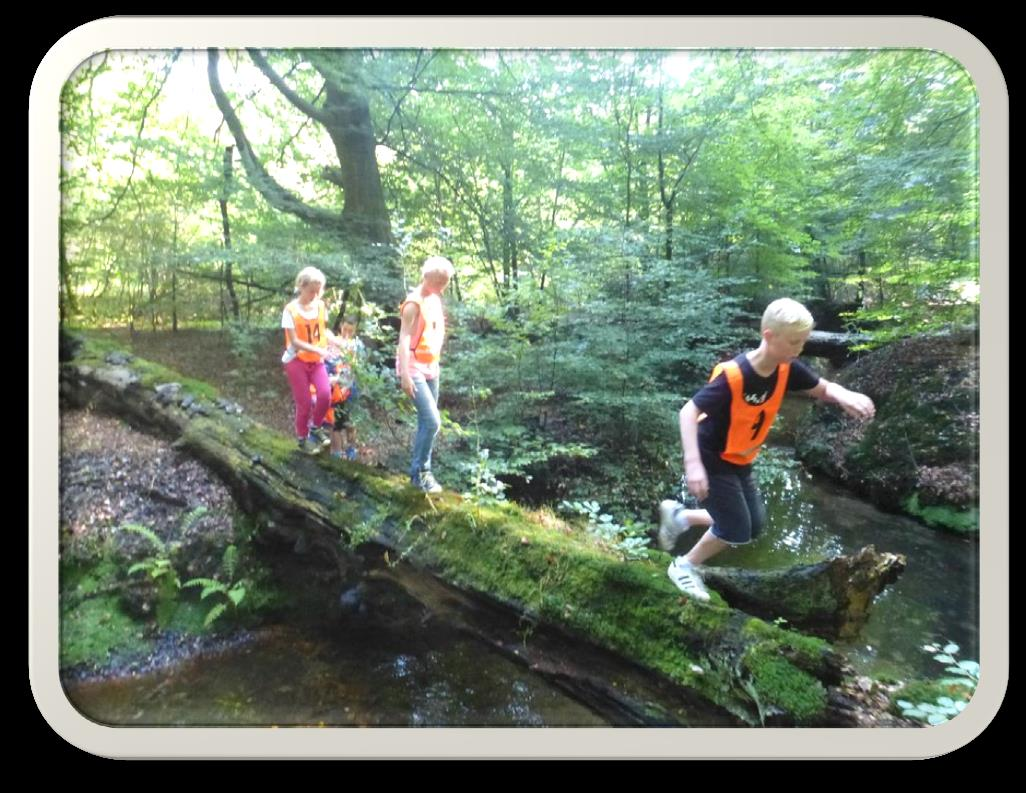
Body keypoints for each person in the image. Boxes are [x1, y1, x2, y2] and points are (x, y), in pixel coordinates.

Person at [658, 298, 876, 601]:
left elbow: (822, 387)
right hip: (711, 456)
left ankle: (681, 517)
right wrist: (692, 464)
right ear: (769, 336)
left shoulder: (786, 368)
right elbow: (688, 411)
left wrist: (845, 395)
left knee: (754, 526)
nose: (800, 349)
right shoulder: (735, 375)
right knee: (735, 529)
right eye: (794, 342)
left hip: (740, 458)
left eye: (803, 342)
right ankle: (684, 566)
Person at [396, 256, 455, 493]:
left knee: (425, 422)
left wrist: (436, 364)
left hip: (432, 367)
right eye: (440, 281)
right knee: (432, 421)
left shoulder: (435, 300)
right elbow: (404, 337)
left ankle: (421, 474)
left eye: (446, 282)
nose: (443, 286)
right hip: (413, 367)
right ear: (427, 277)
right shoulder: (413, 303)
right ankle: (420, 472)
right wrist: (405, 376)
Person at [281, 267, 342, 453]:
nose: (316, 295)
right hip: (296, 361)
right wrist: (319, 349)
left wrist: (337, 342)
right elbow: (295, 341)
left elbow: (321, 331)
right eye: (312, 291)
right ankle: (302, 438)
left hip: (316, 360)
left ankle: (316, 427)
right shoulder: (290, 310)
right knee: (305, 402)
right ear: (301, 286)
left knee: (325, 395)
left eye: (319, 291)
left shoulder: (320, 306)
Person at [327, 317, 363, 461]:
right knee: (334, 421)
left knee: (350, 421)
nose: (347, 333)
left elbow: (357, 365)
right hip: (335, 387)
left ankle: (351, 450)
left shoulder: (356, 345)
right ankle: (336, 453)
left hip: (351, 387)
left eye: (351, 331)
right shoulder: (332, 343)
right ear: (341, 326)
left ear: (355, 330)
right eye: (345, 329)